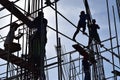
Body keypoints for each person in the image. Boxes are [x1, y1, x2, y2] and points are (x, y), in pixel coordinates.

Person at [30, 11, 47, 80]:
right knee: (42, 51)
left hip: (39, 37)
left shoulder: (39, 19)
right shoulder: (44, 20)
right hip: (43, 37)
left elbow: (32, 25)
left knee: (32, 41)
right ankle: (38, 65)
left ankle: (33, 58)